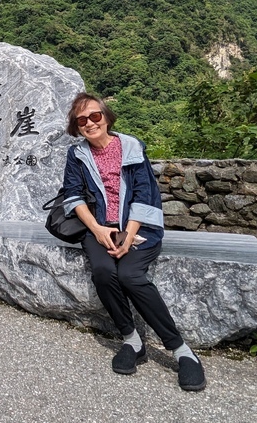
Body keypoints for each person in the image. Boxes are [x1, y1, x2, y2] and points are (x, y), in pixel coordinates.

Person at [61, 92, 206, 392]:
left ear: (106, 117)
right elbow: (73, 196)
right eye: (82, 120)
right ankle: (132, 340)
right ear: (76, 126)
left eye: (95, 116)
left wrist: (128, 234)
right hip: (98, 228)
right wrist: (97, 230)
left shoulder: (131, 146)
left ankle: (180, 350)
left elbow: (144, 192)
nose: (90, 123)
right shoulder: (77, 155)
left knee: (130, 275)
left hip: (139, 226)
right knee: (103, 272)